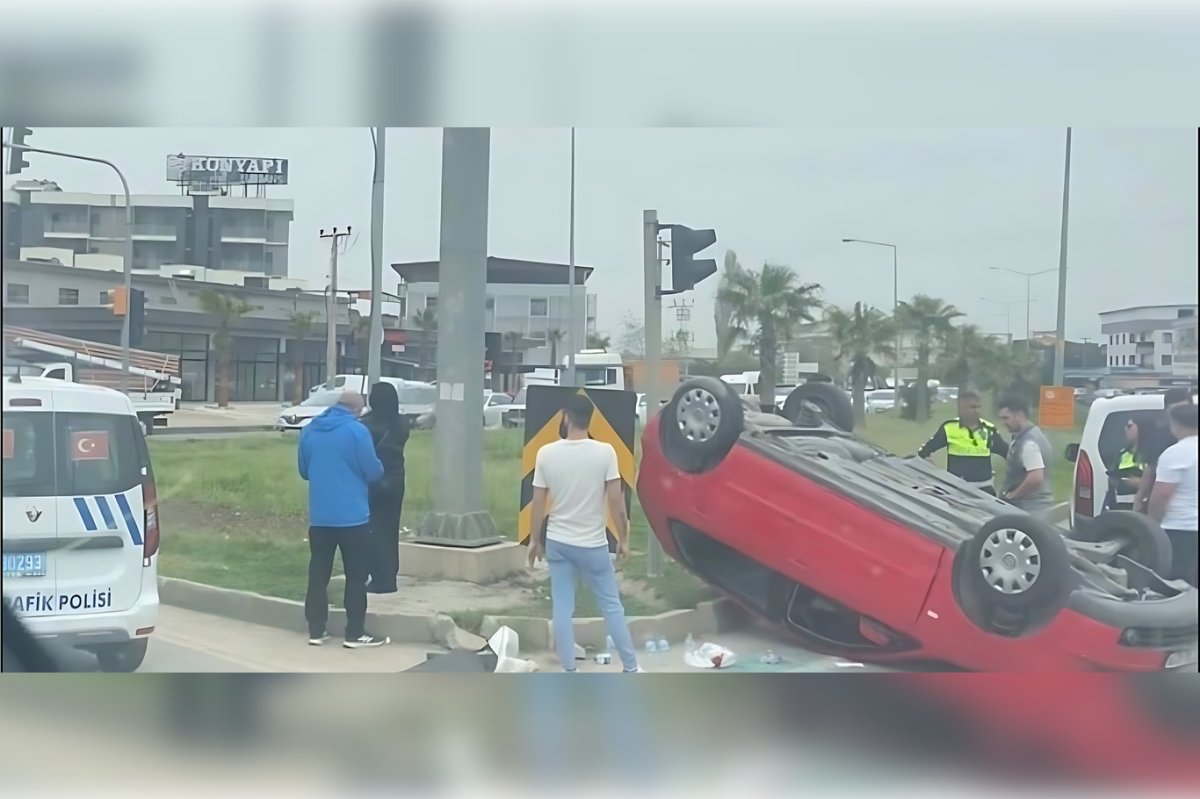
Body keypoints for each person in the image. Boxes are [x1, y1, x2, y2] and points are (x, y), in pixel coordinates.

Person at [527, 394, 643, 673]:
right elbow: (616, 503)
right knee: (611, 606)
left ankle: (570, 670)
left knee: (562, 608)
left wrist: (534, 540)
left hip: (558, 541)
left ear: (565, 417)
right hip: (592, 544)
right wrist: (624, 538)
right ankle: (630, 668)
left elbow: (538, 503)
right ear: (589, 419)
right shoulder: (605, 452)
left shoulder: (545, 453)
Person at [297, 390, 390, 649]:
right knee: (356, 576)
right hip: (353, 518)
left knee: (318, 574)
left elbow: (305, 471)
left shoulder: (309, 431)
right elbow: (373, 472)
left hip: (320, 518)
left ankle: (316, 630)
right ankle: (355, 633)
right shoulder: (356, 432)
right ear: (356, 410)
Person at [360, 381, 410, 594]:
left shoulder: (365, 425)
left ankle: (378, 578)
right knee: (390, 530)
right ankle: (390, 576)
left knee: (373, 529)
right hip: (397, 480)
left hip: (374, 481)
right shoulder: (402, 423)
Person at [917, 389, 1009, 494]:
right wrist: (930, 466)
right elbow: (924, 452)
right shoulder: (949, 428)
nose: (977, 411)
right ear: (962, 408)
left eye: (979, 407)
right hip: (956, 488)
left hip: (984, 488)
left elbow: (1009, 454)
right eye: (973, 407)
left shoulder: (989, 430)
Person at [1147, 400, 1198, 586]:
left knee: (1178, 586)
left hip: (1180, 530)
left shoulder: (1176, 453)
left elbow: (1162, 494)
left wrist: (1151, 525)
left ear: (1174, 424)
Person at [1133, 386, 1197, 515]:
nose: (1180, 415)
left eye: (1184, 409)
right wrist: (1139, 496)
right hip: (1168, 506)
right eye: (1176, 411)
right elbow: (1151, 467)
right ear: (1167, 411)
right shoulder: (1160, 436)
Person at [996, 395, 1055, 515]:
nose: (1003, 423)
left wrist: (1013, 495)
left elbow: (1035, 478)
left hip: (1029, 508)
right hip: (1035, 507)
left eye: (1006, 418)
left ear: (1019, 414)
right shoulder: (1033, 435)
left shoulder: (1029, 443)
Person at [1104, 416, 1146, 511]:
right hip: (1122, 511)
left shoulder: (1153, 455)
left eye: (1130, 426)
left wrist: (1141, 483)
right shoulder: (1122, 454)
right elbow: (1112, 485)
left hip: (1145, 510)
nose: (1125, 429)